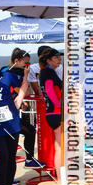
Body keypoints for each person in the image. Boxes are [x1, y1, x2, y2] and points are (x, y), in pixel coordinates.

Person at [0, 53, 29, 185]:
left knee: (11, 157)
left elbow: (24, 84)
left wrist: (20, 97)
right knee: (2, 157)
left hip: (11, 124)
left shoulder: (7, 76)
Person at [39, 48, 63, 178]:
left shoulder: (47, 71)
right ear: (48, 60)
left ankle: (61, 177)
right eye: (56, 57)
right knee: (61, 147)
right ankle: (61, 178)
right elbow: (48, 90)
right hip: (56, 113)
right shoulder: (47, 72)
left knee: (60, 146)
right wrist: (59, 105)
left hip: (53, 113)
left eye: (59, 57)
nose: (59, 59)